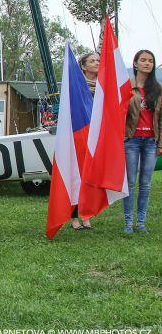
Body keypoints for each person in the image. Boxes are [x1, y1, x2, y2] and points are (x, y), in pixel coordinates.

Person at [123, 49, 162, 234]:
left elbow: (161, 119)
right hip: (131, 140)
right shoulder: (126, 87)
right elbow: (118, 113)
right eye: (143, 60)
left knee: (145, 183)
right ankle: (128, 224)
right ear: (136, 63)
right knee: (130, 182)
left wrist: (160, 143)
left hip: (151, 142)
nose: (147, 63)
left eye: (150, 61)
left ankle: (141, 222)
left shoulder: (158, 89)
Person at [71, 52, 100, 230]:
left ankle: (87, 214)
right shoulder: (77, 86)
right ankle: (73, 215)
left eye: (98, 60)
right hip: (79, 135)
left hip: (96, 137)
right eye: (92, 61)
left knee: (90, 177)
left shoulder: (104, 88)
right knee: (77, 176)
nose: (96, 63)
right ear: (83, 66)